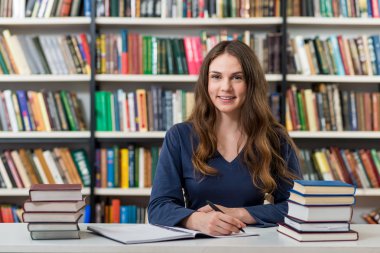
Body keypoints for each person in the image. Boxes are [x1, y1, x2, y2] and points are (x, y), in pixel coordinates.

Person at [148, 40, 302, 236]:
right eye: (216, 77)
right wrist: (197, 221)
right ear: (206, 82)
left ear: (251, 84)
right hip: (197, 245)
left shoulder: (275, 138)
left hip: (255, 245)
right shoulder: (179, 136)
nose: (225, 87)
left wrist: (239, 214)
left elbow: (296, 208)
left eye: (237, 77)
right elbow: (158, 207)